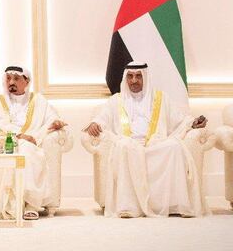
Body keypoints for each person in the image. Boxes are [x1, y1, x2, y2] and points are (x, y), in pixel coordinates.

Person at [85, 61, 207, 218]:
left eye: (138, 76)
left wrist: (193, 123)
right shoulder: (116, 100)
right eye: (130, 76)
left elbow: (179, 119)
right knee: (123, 146)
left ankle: (173, 204)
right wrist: (95, 123)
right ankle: (128, 207)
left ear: (146, 78)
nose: (134, 80)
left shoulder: (161, 99)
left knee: (175, 147)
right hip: (130, 144)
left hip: (156, 144)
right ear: (125, 78)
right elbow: (102, 117)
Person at [0, 66, 66, 221]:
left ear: (26, 81)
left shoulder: (39, 101)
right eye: (8, 78)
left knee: (28, 151)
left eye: (16, 79)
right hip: (2, 142)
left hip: (29, 143)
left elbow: (51, 119)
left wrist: (37, 136)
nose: (11, 82)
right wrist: (17, 135)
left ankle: (31, 204)